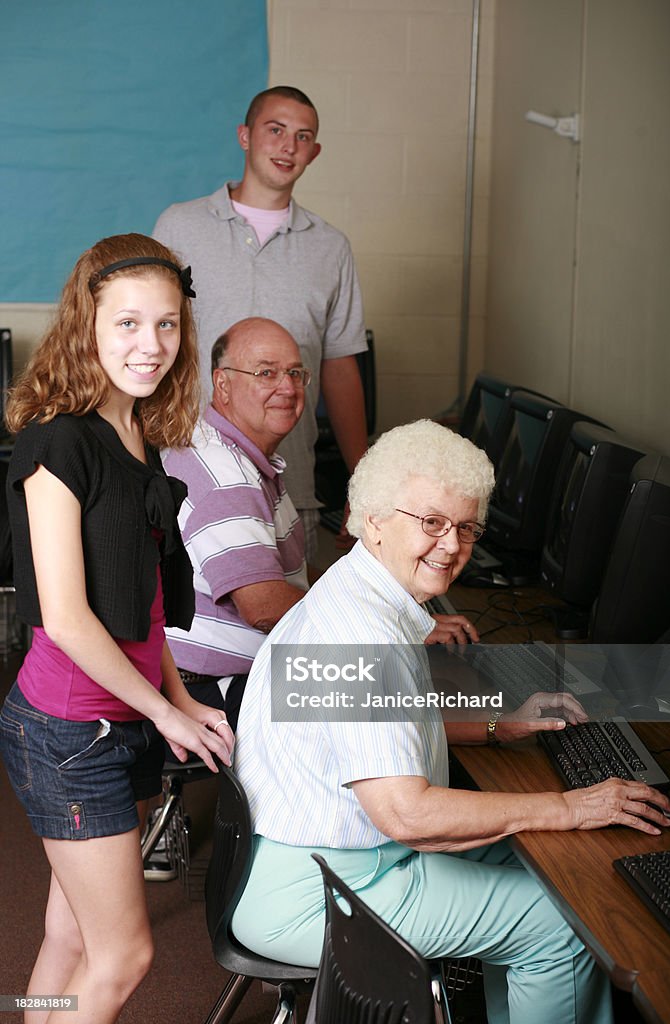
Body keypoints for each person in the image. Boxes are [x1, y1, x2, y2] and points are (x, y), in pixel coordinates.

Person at [230, 419, 670, 1024]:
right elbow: (407, 815)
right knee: (564, 927)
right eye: (432, 522)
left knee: (550, 864)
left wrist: (500, 723)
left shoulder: (354, 590)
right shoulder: (363, 634)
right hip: (324, 889)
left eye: (466, 527)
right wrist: (571, 806)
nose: (452, 545)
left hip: (315, 859)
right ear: (375, 517)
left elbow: (375, 718)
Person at [0, 234, 234, 1024]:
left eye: (166, 325)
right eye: (128, 324)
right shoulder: (56, 443)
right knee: (126, 955)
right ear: (86, 325)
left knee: (68, 933)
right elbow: (67, 618)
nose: (151, 345)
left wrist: (176, 698)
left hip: (120, 722)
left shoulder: (142, 436)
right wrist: (166, 710)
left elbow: (146, 610)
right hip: (67, 735)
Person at [153, 85, 368, 560]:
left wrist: (364, 480)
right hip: (183, 478)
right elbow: (148, 350)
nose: (288, 146)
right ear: (245, 136)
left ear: (314, 151)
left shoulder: (330, 247)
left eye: (303, 136)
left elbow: (339, 366)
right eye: (276, 130)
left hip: (293, 484)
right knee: (186, 628)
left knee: (288, 623)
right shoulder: (179, 227)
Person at [162, 316, 309, 730]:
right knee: (394, 694)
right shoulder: (228, 478)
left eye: (295, 373)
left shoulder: (220, 444)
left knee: (406, 674)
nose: (288, 387)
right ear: (222, 384)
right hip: (215, 686)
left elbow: (287, 578)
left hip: (218, 670)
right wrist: (387, 623)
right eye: (267, 373)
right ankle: (501, 726)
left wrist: (387, 602)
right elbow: (263, 608)